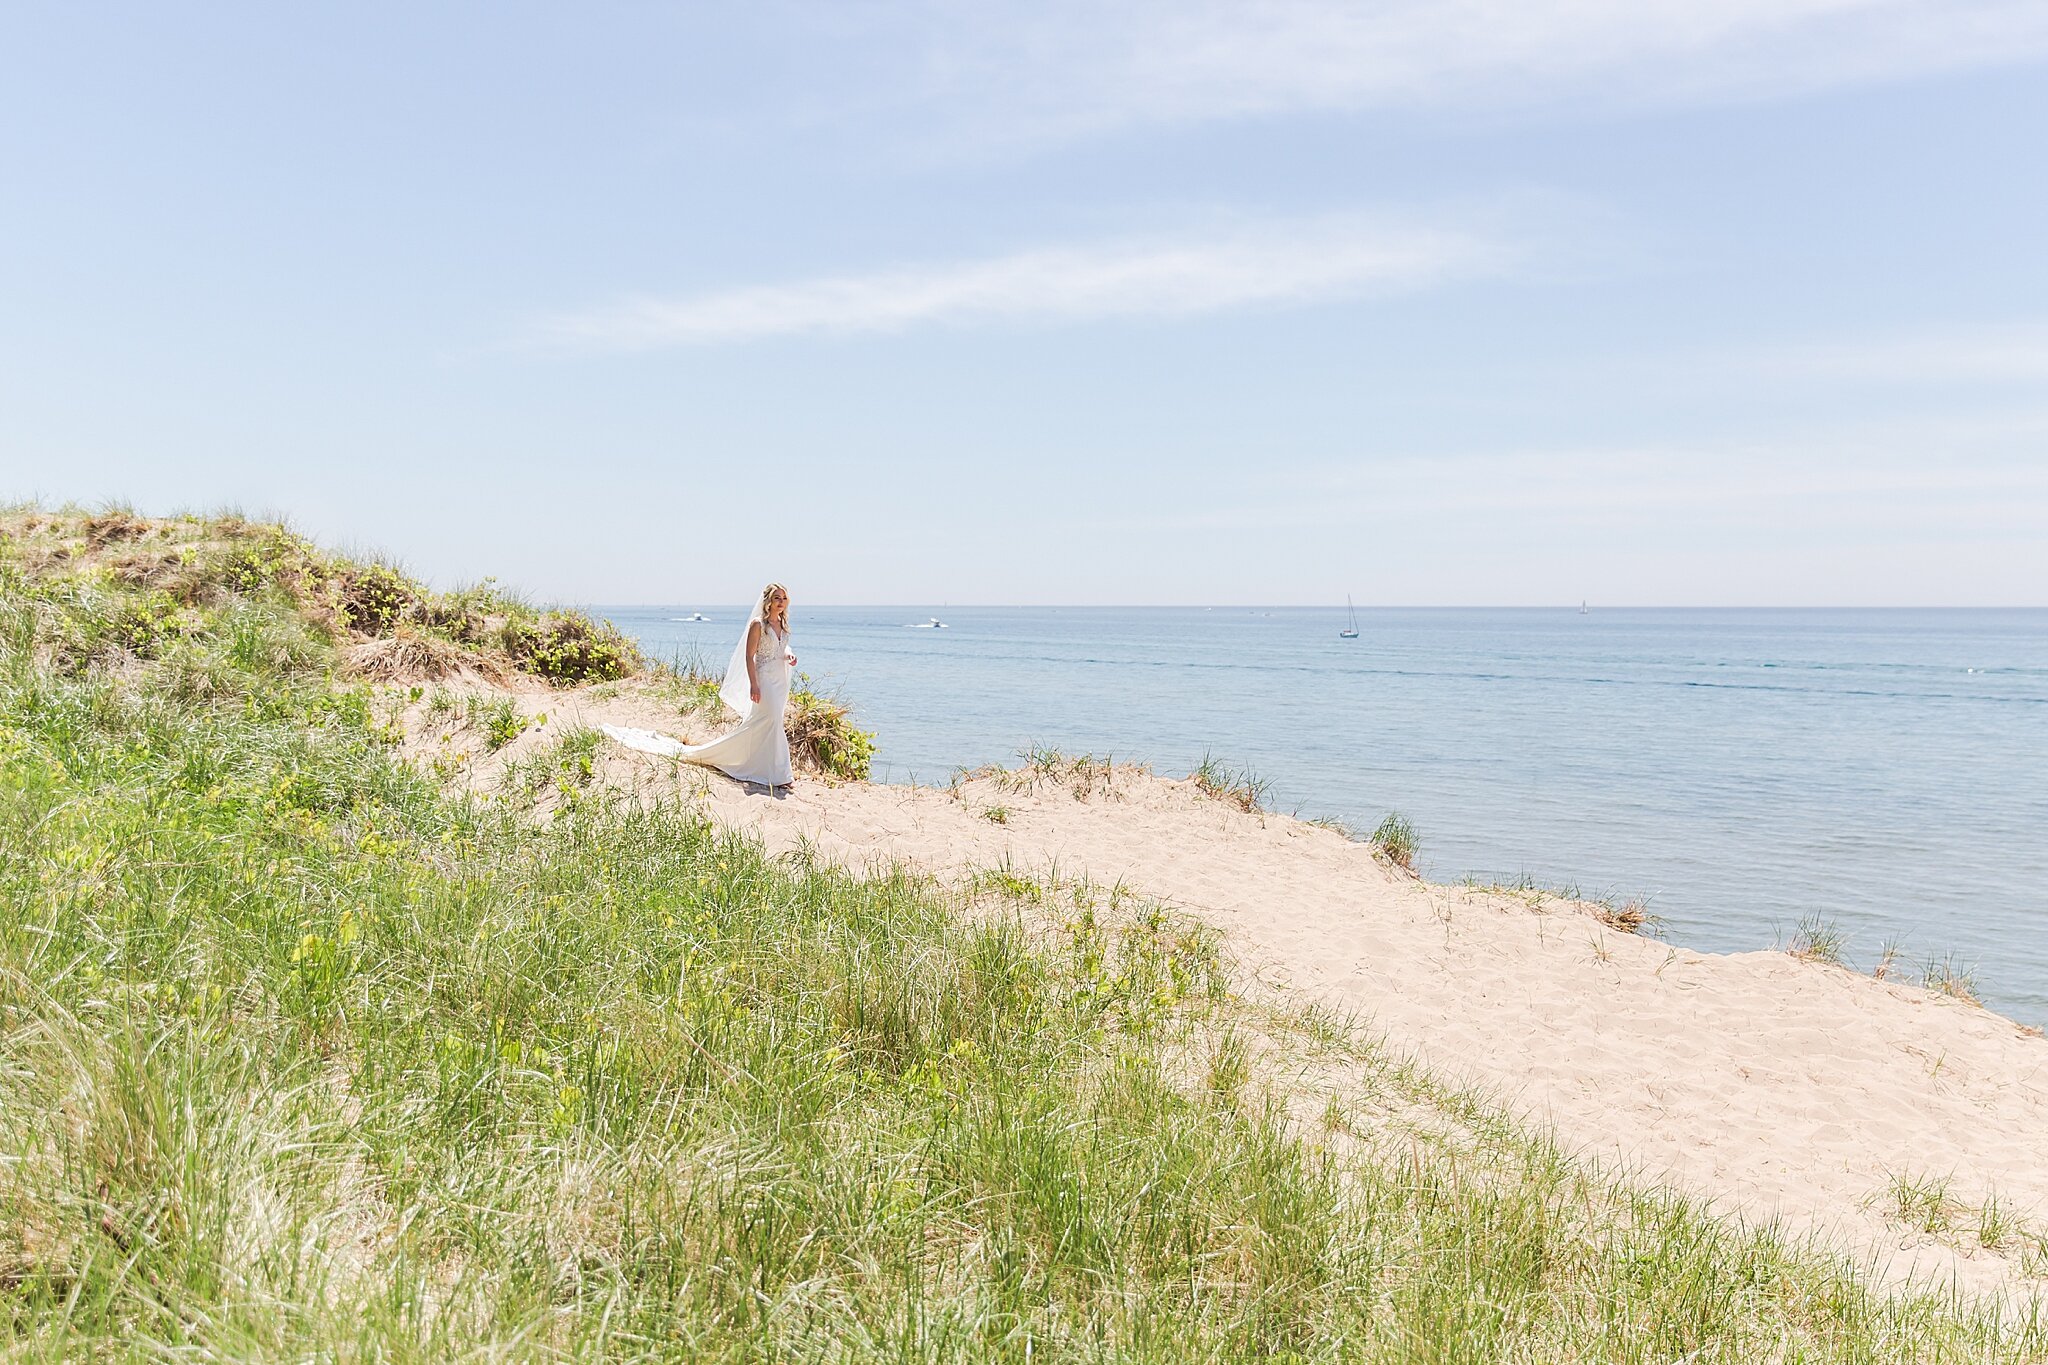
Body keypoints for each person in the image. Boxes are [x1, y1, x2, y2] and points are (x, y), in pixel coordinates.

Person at [603, 582, 798, 790]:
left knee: (768, 723)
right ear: (768, 600)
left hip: (780, 680)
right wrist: (754, 685)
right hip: (764, 680)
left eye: (784, 598)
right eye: (777, 598)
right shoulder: (758, 624)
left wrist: (789, 655)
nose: (781, 602)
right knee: (772, 721)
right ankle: (781, 774)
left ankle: (767, 769)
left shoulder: (783, 624)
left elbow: (781, 648)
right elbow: (750, 656)